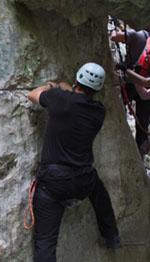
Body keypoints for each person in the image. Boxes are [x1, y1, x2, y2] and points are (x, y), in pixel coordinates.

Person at [27, 62, 122, 262]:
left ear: (77, 78)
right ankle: (111, 235)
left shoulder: (60, 99)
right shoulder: (98, 111)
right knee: (98, 189)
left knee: (45, 241)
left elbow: (33, 95)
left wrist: (52, 87)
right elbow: (76, 98)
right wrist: (64, 89)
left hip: (53, 183)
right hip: (83, 180)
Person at [110, 27, 150, 155]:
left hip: (129, 83)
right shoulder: (135, 35)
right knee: (143, 121)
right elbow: (144, 92)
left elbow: (114, 37)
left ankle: (119, 144)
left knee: (119, 112)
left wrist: (115, 30)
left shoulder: (136, 34)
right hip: (143, 87)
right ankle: (140, 151)